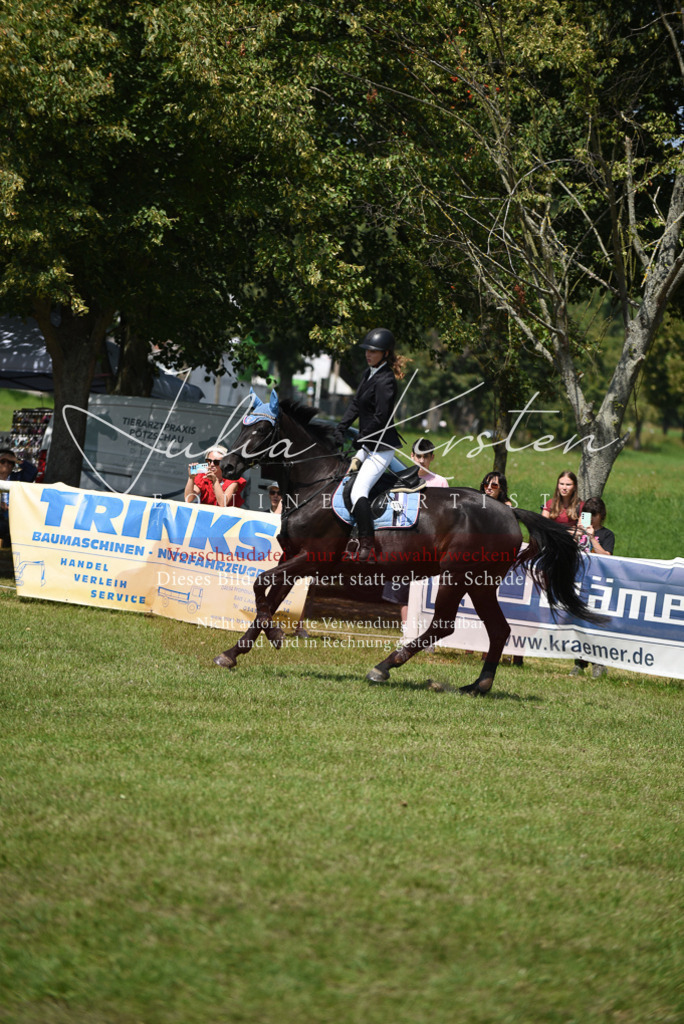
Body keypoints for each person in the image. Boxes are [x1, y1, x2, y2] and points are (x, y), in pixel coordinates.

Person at [333, 327, 406, 560]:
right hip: (368, 443)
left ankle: (368, 544)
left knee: (358, 492)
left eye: (373, 352)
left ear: (385, 353)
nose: (368, 354)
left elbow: (381, 417)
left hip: (381, 447)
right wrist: (341, 427)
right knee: (339, 480)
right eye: (367, 351)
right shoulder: (369, 373)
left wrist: (361, 437)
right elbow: (356, 404)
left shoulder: (386, 380)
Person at [382, 437, 448, 639]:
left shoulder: (440, 482)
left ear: (432, 458)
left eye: (426, 457)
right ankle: (407, 632)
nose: (422, 460)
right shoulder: (401, 479)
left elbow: (446, 516)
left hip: (431, 546)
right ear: (412, 456)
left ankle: (428, 635)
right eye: (418, 456)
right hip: (405, 543)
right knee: (404, 591)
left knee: (429, 593)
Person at [569, 496, 615, 679]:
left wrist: (591, 538)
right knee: (578, 622)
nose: (591, 518)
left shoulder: (607, 535)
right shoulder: (578, 531)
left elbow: (607, 556)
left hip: (598, 584)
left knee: (595, 624)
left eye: (594, 515)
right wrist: (576, 535)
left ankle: (599, 663)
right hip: (579, 581)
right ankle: (579, 662)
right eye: (587, 514)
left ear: (601, 516)